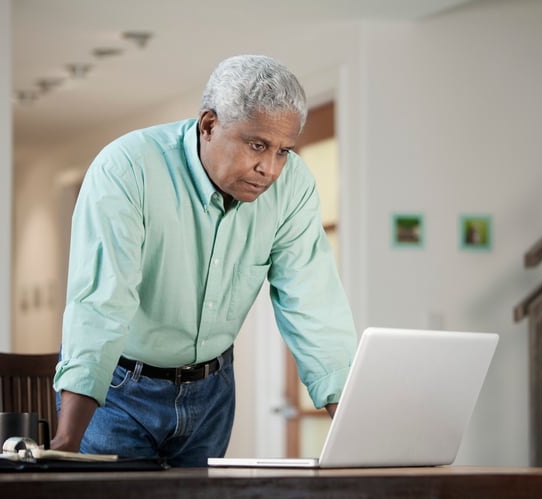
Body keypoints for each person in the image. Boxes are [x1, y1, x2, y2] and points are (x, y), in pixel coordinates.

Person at [51, 54, 357, 467]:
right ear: (209, 125)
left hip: (212, 392)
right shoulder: (127, 168)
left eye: (283, 150)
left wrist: (354, 433)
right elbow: (101, 301)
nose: (269, 169)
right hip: (121, 389)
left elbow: (313, 303)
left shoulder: (293, 186)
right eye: (257, 145)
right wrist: (67, 442)